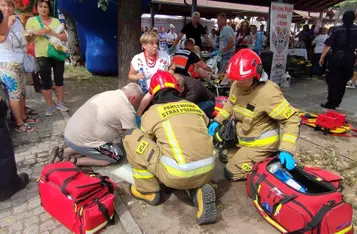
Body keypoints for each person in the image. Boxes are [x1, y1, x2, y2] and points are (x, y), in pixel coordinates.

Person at [123, 71, 217, 225]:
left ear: (153, 94)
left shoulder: (152, 113)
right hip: (208, 169)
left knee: (131, 137)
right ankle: (196, 190)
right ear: (176, 88)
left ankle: (148, 191)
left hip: (176, 173)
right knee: (185, 153)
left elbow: (147, 140)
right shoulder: (193, 106)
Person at [208, 49, 299, 182]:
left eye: (242, 80)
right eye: (236, 80)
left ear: (257, 75)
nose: (238, 84)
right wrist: (217, 120)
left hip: (262, 145)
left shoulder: (268, 93)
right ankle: (250, 157)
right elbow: (230, 105)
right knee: (224, 156)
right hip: (244, 139)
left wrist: (287, 149)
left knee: (231, 173)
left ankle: (269, 161)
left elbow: (292, 118)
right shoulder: (237, 84)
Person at [50, 83, 144, 166]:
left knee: (107, 142)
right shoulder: (127, 109)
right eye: (138, 102)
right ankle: (73, 161)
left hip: (70, 135)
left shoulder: (110, 93)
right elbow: (134, 138)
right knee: (115, 155)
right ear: (132, 99)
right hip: (82, 140)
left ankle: (66, 151)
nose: (138, 105)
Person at [0, 0, 39, 133]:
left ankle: (23, 116)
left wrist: (31, 37)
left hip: (19, 59)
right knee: (14, 94)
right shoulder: (2, 21)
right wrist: (7, 24)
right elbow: (1, 39)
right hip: (6, 62)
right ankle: (19, 124)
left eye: (9, 5)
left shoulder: (17, 20)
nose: (7, 8)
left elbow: (22, 41)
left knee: (21, 91)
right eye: (3, 5)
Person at [26, 0, 68, 116]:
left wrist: (51, 32)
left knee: (59, 79)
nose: (43, 9)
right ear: (37, 8)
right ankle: (50, 106)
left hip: (57, 53)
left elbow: (64, 37)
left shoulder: (55, 20)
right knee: (46, 82)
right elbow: (27, 39)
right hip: (42, 55)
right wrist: (38, 32)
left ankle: (60, 103)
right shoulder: (32, 21)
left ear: (49, 9)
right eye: (41, 6)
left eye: (45, 7)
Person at [128, 31, 172, 116]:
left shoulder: (164, 56)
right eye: (152, 43)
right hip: (144, 94)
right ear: (144, 45)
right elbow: (130, 75)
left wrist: (169, 73)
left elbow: (173, 66)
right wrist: (137, 76)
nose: (155, 46)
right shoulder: (137, 59)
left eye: (156, 43)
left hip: (162, 93)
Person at [319, 11, 357, 110]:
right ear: (354, 18)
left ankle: (331, 102)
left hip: (336, 57)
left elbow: (328, 45)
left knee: (332, 80)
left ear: (343, 18)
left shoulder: (337, 29)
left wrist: (322, 57)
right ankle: (337, 102)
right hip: (349, 57)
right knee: (343, 81)